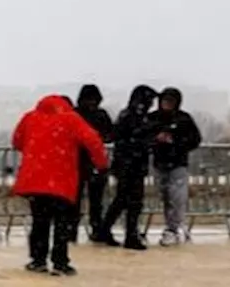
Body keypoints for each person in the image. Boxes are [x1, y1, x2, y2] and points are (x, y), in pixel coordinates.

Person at [12, 95, 108, 277]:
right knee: (62, 223)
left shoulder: (30, 117)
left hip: (35, 180)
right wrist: (101, 164)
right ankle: (60, 262)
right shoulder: (71, 119)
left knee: (40, 221)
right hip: (62, 180)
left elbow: (17, 141)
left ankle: (38, 260)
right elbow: (93, 140)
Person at [94, 85, 158, 250]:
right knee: (130, 201)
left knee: (123, 200)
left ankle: (107, 230)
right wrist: (148, 141)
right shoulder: (133, 117)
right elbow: (126, 138)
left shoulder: (131, 115)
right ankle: (128, 234)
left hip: (129, 163)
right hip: (130, 164)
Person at [150, 87, 203, 246]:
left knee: (177, 197)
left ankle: (173, 228)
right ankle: (172, 226)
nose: (167, 104)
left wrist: (176, 143)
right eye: (165, 101)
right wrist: (155, 140)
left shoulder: (184, 119)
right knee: (165, 196)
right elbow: (142, 137)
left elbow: (195, 139)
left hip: (178, 164)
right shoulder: (153, 118)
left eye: (170, 101)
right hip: (159, 163)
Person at [73, 84, 113, 241]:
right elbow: (110, 134)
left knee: (77, 199)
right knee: (95, 200)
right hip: (94, 161)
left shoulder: (75, 115)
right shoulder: (100, 114)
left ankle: (72, 230)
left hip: (80, 161)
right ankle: (95, 228)